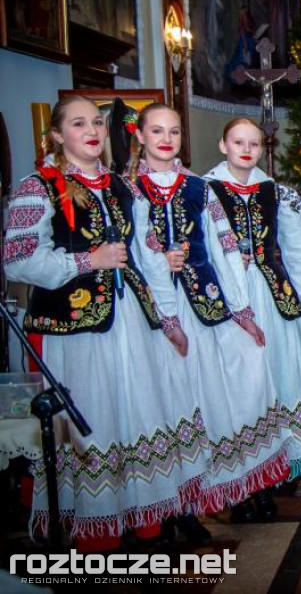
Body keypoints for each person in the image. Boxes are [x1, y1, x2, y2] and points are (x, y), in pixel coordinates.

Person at [3, 96, 202, 550]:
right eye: (78, 123)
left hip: (132, 321)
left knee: (138, 412)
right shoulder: (40, 187)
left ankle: (146, 519)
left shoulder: (122, 186)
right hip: (78, 331)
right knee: (95, 417)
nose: (91, 130)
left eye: (96, 121)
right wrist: (86, 259)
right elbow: (17, 260)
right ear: (57, 135)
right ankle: (99, 531)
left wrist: (168, 318)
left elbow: (149, 254)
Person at [130, 104, 290, 523]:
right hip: (154, 310)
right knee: (175, 402)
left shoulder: (200, 188)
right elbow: (131, 250)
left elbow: (225, 248)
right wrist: (160, 276)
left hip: (208, 301)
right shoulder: (127, 188)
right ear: (140, 136)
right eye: (158, 131)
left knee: (239, 386)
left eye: (175, 132)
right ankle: (178, 510)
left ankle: (242, 484)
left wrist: (241, 310)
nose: (167, 139)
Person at [206, 118, 301, 481]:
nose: (246, 150)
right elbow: (197, 246)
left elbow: (299, 250)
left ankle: (274, 473)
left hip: (273, 297)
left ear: (262, 148)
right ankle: (242, 480)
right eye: (238, 142)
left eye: (254, 144)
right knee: (241, 388)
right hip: (227, 299)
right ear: (223, 145)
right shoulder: (205, 190)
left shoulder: (276, 192)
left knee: (280, 377)